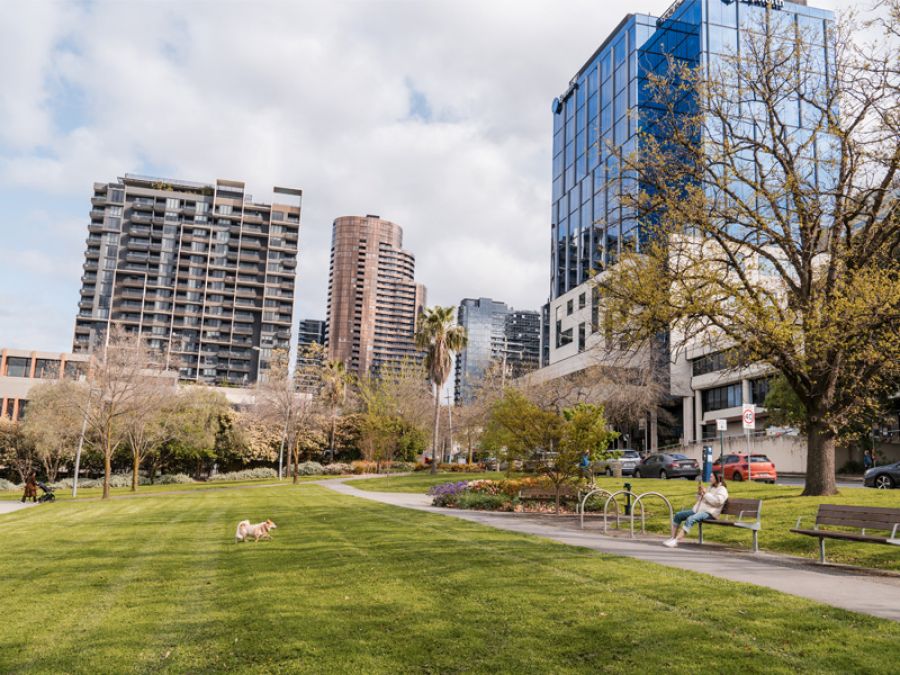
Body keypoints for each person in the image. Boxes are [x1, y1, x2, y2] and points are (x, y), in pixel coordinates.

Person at [663, 473, 728, 548]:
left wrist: (705, 493)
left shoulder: (722, 490)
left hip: (710, 513)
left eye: (711, 477)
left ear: (717, 478)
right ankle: (672, 538)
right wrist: (699, 493)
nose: (710, 478)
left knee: (691, 518)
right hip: (699, 510)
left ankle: (676, 541)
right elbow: (700, 499)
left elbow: (717, 502)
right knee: (678, 515)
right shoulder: (710, 487)